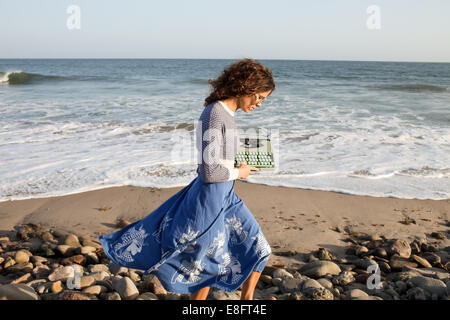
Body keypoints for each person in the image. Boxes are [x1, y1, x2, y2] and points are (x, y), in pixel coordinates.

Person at [98, 58, 275, 300]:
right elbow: (209, 172)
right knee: (204, 263)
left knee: (259, 247)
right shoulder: (215, 113)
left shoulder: (227, 114)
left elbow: (214, 161)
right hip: (210, 200)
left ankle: (247, 301)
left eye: (263, 99)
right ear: (246, 86)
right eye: (259, 97)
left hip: (226, 196)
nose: (259, 103)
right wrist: (238, 173)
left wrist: (239, 166)